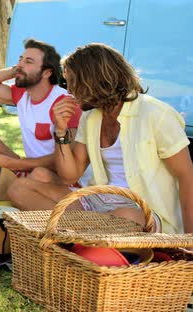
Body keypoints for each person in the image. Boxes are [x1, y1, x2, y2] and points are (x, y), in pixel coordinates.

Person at [11, 43, 193, 234]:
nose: (69, 91)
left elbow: (187, 174)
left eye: (73, 82)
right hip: (99, 202)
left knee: (125, 217)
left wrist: (189, 239)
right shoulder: (90, 118)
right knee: (19, 189)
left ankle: (77, 234)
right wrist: (60, 132)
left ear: (93, 81)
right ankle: (89, 234)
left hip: (143, 210)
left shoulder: (156, 114)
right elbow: (69, 176)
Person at [0, 39, 82, 203]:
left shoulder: (64, 104)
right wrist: (14, 71)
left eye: (29, 61)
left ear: (47, 73)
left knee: (40, 173)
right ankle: (0, 193)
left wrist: (15, 164)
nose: (20, 64)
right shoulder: (21, 95)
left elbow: (65, 161)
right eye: (20, 59)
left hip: (57, 179)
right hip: (27, 168)